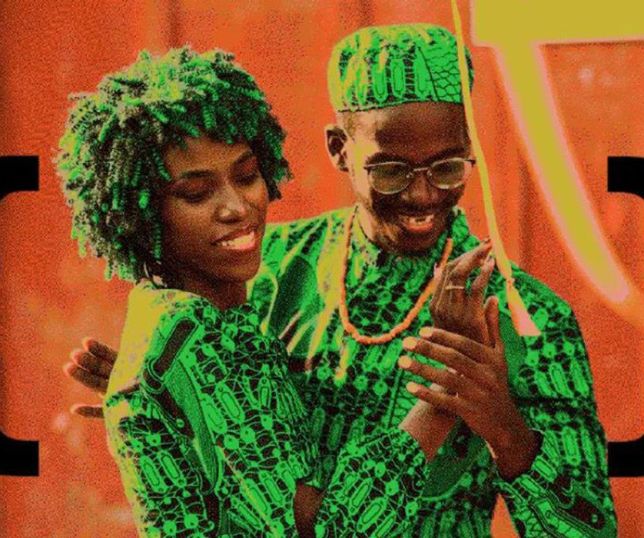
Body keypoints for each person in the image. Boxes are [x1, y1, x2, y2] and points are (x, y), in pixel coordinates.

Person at [66, 25, 617, 537]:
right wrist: (181, 402)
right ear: (339, 149)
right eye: (391, 171)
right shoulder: (262, 267)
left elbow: (591, 532)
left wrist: (506, 431)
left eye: (448, 168)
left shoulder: (529, 319)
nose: (422, 194)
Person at [58, 45, 462, 537]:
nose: (237, 207)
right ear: (138, 215)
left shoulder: (190, 322)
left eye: (247, 176)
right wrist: (444, 396)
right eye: (196, 194)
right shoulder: (197, 334)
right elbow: (324, 530)